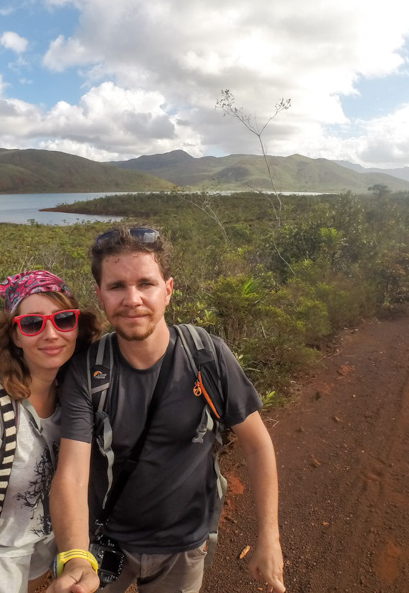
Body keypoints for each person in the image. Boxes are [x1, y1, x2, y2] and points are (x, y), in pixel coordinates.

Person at [48, 226, 286, 593]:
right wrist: (76, 556)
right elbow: (72, 475)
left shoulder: (207, 356)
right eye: (116, 287)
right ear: (99, 295)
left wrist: (269, 537)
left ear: (168, 290)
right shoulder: (88, 371)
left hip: (184, 544)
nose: (132, 299)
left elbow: (257, 444)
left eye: (146, 283)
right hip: (104, 539)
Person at [0, 270, 102, 593]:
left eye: (63, 320)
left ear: (77, 327)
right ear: (15, 336)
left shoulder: (72, 397)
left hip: (38, 558)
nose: (51, 334)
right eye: (32, 324)